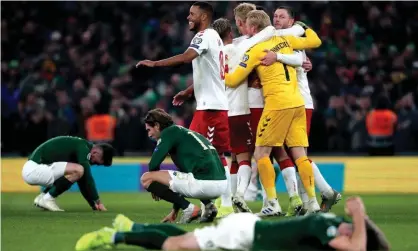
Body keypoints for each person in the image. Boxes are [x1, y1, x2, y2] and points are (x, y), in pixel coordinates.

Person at [137, 1, 234, 218]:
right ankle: (202, 206)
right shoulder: (214, 37)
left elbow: (185, 57)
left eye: (192, 14)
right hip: (208, 106)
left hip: (212, 109)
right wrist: (190, 91)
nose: (188, 17)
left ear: (204, 17)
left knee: (211, 155)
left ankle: (225, 204)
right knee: (191, 155)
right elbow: (213, 73)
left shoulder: (204, 36)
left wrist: (154, 64)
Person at [224, 10, 322, 215]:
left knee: (261, 154)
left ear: (252, 28)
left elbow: (233, 80)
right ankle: (312, 202)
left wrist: (221, 70)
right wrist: (303, 26)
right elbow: (314, 41)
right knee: (299, 155)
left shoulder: (255, 50)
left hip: (277, 105)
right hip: (297, 103)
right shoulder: (286, 41)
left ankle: (271, 204)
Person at [75, 197, 390, 251]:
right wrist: (360, 215)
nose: (351, 229)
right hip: (244, 234)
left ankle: (133, 229)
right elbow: (353, 247)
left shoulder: (334, 226)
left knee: (190, 240)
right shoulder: (332, 227)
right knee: (175, 246)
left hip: (249, 235)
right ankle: (114, 236)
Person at [260, 6, 342, 214]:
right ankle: (310, 200)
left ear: (292, 20)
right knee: (293, 154)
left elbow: (300, 56)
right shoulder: (282, 38)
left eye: (282, 16)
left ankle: (323, 194)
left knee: (297, 153)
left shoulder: (293, 34)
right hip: (288, 102)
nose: (277, 19)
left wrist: (279, 56)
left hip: (298, 102)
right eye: (275, 16)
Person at [211, 17, 275, 214]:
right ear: (230, 34)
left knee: (233, 158)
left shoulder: (214, 54)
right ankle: (238, 196)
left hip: (220, 111)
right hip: (238, 111)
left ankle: (227, 202)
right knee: (245, 157)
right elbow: (264, 33)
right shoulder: (235, 49)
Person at [140, 108, 228, 224]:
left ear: (156, 125)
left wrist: (155, 187)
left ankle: (190, 209)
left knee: (146, 178)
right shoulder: (185, 134)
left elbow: (153, 165)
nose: (149, 134)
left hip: (204, 184)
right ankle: (209, 206)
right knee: (187, 176)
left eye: (149, 130)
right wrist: (174, 211)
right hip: (221, 185)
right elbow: (182, 180)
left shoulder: (168, 133)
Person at [21, 135, 115, 212]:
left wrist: (93, 204)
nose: (94, 164)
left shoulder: (82, 146)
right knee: (79, 170)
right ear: (95, 152)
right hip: (34, 170)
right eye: (97, 162)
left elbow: (82, 181)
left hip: (33, 168)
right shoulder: (83, 147)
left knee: (78, 171)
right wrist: (98, 201)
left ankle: (42, 197)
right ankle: (48, 198)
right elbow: (87, 178)